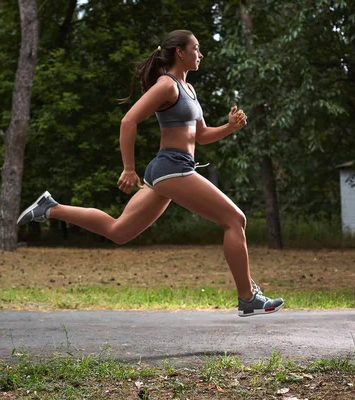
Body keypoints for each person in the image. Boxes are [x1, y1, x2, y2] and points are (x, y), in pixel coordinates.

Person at [17, 30, 283, 317]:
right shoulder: (166, 85)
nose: (200, 54)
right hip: (172, 169)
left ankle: (51, 208)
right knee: (235, 219)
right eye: (196, 48)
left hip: (169, 170)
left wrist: (229, 127)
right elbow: (128, 120)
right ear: (180, 52)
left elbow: (202, 135)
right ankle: (247, 298)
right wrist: (128, 168)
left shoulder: (188, 89)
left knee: (118, 231)